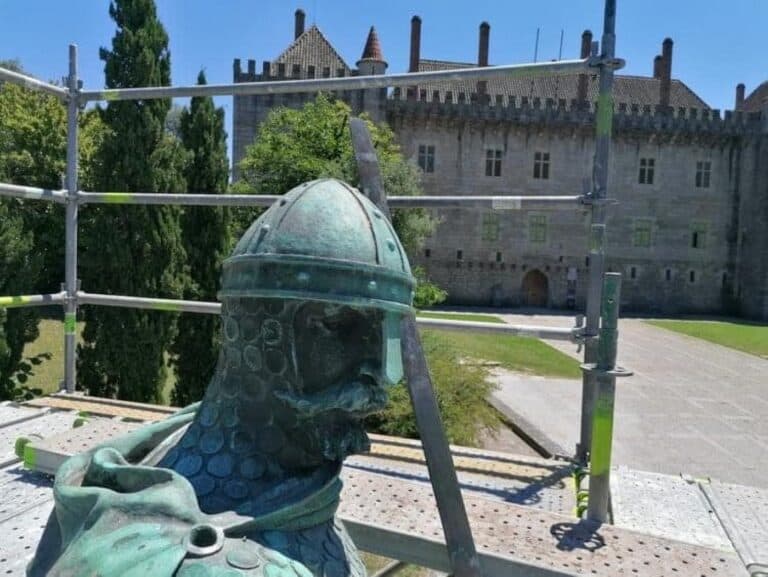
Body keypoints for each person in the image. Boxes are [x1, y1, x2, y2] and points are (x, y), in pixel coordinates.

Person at [29, 179, 416, 577]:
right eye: (338, 324)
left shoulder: (299, 487)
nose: (375, 369)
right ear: (257, 339)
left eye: (382, 330)